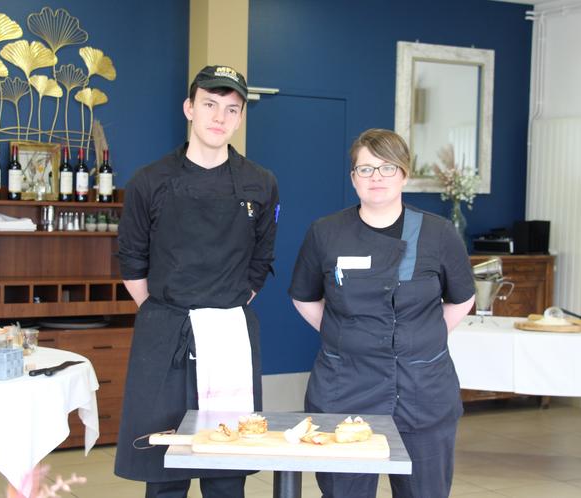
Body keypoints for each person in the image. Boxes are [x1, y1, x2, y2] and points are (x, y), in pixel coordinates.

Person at [115, 65, 279, 498]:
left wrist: (222, 307)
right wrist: (168, 311)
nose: (219, 117)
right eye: (209, 104)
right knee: (165, 466)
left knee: (226, 469)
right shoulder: (149, 181)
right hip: (165, 330)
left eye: (231, 109)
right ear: (189, 108)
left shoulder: (260, 184)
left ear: (240, 118)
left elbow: (261, 259)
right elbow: (132, 262)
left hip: (229, 331)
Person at [289, 129, 475, 498]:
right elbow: (304, 297)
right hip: (345, 390)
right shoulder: (326, 233)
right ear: (353, 178)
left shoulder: (439, 234)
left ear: (405, 174)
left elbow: (462, 299)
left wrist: (422, 339)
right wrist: (343, 337)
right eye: (366, 169)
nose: (376, 178)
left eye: (387, 168)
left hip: (423, 393)